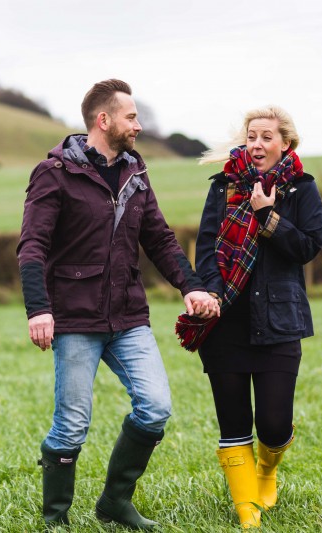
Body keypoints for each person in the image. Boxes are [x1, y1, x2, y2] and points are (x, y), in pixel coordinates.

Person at [17, 78, 219, 530]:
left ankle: (114, 503)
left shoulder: (135, 172)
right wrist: (39, 308)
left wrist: (190, 285)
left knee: (156, 408)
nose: (138, 125)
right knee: (71, 425)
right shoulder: (55, 173)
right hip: (75, 317)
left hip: (128, 316)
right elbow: (32, 246)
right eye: (131, 117)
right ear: (103, 120)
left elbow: (160, 238)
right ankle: (56, 518)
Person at [175, 106, 322, 528]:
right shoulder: (223, 187)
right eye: (251, 136)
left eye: (266, 137)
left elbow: (308, 248)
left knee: (274, 425)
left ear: (285, 144)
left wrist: (267, 217)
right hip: (227, 322)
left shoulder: (302, 190)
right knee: (234, 423)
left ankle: (267, 471)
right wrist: (210, 293)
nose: (257, 145)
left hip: (279, 321)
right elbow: (206, 248)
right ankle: (248, 515)